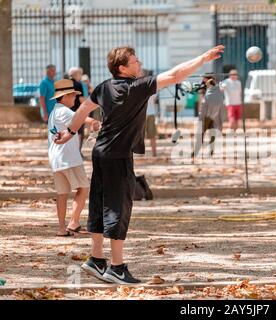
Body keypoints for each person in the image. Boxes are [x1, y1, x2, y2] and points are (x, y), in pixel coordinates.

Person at [54, 45, 225, 284]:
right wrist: (203, 58)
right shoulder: (138, 87)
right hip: (118, 156)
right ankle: (116, 267)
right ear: (122, 68)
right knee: (118, 208)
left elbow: (83, 108)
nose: (140, 64)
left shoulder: (104, 86)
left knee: (100, 203)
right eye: (135, 61)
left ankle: (96, 259)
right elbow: (176, 75)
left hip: (101, 153)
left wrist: (70, 132)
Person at [47, 79, 100, 237]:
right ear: (64, 97)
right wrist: (95, 122)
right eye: (72, 95)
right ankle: (74, 222)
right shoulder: (64, 111)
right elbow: (82, 117)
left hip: (56, 160)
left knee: (62, 194)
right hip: (69, 159)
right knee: (83, 188)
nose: (75, 98)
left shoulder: (54, 112)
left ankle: (62, 229)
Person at [193, 74, 225, 157]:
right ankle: (207, 150)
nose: (203, 81)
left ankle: (199, 150)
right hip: (212, 115)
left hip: (207, 115)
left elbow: (204, 104)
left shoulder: (213, 90)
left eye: (205, 80)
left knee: (204, 133)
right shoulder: (208, 89)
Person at [68, 67, 88, 154]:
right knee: (79, 133)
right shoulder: (78, 84)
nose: (80, 76)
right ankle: (77, 152)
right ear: (76, 75)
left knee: (69, 131)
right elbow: (81, 100)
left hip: (66, 112)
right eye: (80, 74)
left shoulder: (65, 84)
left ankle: (70, 152)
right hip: (77, 112)